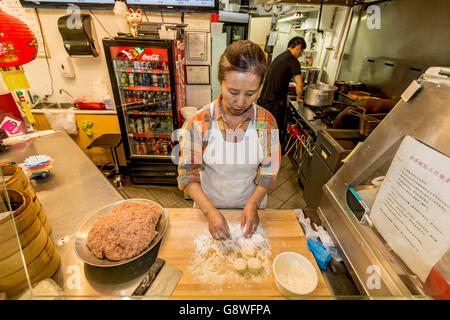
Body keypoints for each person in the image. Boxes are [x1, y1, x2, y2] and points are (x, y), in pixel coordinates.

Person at [177, 40, 281, 241]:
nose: (241, 102)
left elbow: (269, 171)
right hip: (209, 207)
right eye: (233, 92)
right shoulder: (200, 122)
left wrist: (253, 204)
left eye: (251, 94)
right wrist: (209, 212)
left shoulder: (267, 122)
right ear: (220, 82)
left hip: (251, 208)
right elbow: (187, 173)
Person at [257, 37, 306, 150]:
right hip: (274, 105)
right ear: (298, 47)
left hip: (264, 100)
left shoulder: (280, 57)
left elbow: (280, 80)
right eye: (301, 51)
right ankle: (270, 154)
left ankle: (261, 150)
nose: (301, 54)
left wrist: (286, 97)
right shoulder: (293, 61)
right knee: (273, 130)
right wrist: (299, 98)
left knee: (263, 128)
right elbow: (299, 84)